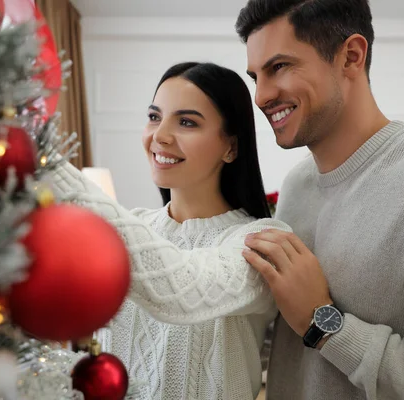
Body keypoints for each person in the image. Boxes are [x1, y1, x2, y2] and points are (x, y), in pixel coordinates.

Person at [234, 0, 404, 399]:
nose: (262, 95)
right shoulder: (297, 185)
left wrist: (324, 324)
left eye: (279, 67)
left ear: (351, 56)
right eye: (255, 76)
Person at [50, 62, 292, 400]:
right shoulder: (134, 226)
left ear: (231, 147)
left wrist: (45, 163)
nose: (160, 136)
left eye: (187, 122)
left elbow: (181, 289)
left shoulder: (260, 240)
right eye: (154, 117)